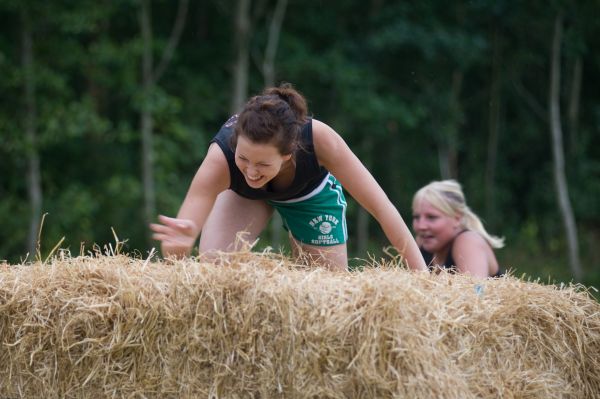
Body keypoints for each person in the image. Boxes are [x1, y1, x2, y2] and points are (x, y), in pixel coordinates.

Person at [150, 83, 426, 272]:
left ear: (287, 155)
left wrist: (421, 277)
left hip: (310, 196)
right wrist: (177, 248)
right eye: (243, 158)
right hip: (244, 196)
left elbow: (381, 207)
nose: (251, 170)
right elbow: (182, 237)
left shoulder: (321, 140)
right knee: (214, 268)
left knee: (325, 295)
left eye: (262, 163)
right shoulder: (220, 157)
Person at [411, 180, 504, 278]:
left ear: (457, 219)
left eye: (431, 217)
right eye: (416, 217)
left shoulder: (468, 242)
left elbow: (478, 291)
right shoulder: (422, 243)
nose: (421, 226)